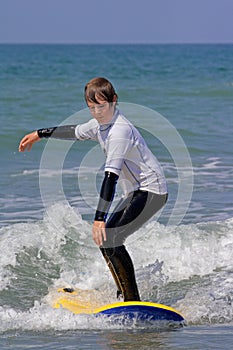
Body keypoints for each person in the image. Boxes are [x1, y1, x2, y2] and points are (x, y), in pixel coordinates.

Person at [19, 77, 168, 302]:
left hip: (152, 191)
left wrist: (99, 218)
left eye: (102, 106)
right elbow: (75, 131)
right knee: (107, 239)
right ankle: (123, 292)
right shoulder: (100, 125)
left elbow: (111, 176)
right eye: (92, 108)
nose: (97, 112)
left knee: (111, 238)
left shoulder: (120, 131)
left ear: (114, 100)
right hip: (136, 191)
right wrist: (40, 134)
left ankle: (132, 300)